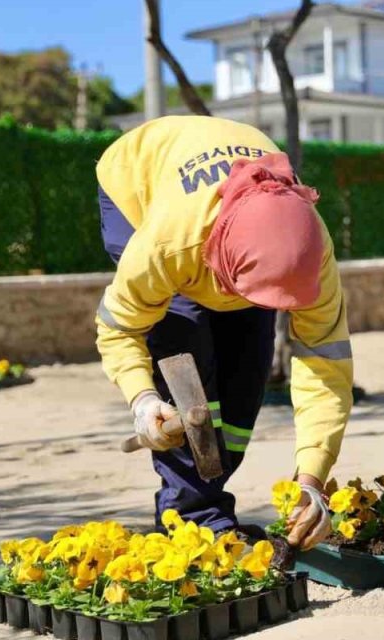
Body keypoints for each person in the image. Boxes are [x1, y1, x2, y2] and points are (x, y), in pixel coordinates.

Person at [94, 115, 351, 548]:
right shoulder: (169, 243)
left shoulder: (311, 249)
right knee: (184, 353)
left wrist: (312, 479)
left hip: (241, 228)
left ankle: (205, 501)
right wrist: (143, 399)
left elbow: (325, 365)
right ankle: (193, 520)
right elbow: (119, 327)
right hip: (135, 183)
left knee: (246, 369)